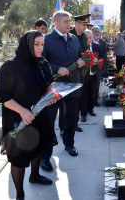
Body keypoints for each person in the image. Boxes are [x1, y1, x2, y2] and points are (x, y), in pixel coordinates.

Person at [0, 31, 55, 200]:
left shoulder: (43, 64)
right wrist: (22, 111)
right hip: (18, 118)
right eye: (37, 44)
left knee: (38, 148)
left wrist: (50, 98)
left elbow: (48, 87)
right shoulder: (10, 67)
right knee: (19, 158)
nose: (40, 48)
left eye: (42, 44)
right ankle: (20, 194)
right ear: (27, 45)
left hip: (39, 116)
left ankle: (35, 176)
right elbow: (2, 96)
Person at [41, 11, 85, 171]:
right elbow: (41, 62)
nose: (69, 24)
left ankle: (69, 144)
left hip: (73, 85)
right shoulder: (47, 40)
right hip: (54, 88)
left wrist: (81, 62)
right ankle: (45, 156)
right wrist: (56, 68)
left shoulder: (74, 39)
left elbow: (80, 57)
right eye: (66, 21)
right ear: (56, 22)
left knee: (71, 118)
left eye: (69, 21)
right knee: (49, 121)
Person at [69, 14, 91, 132]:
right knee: (69, 102)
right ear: (77, 23)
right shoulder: (69, 35)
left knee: (78, 97)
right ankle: (67, 125)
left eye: (86, 24)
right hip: (69, 73)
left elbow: (83, 52)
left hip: (81, 72)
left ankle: (75, 123)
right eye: (83, 24)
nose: (85, 27)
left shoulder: (83, 36)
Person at [80, 30, 103, 122]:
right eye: (87, 38)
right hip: (84, 75)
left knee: (93, 93)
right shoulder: (81, 47)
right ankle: (83, 114)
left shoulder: (97, 46)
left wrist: (97, 60)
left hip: (94, 73)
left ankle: (90, 109)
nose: (89, 39)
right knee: (84, 94)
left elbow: (102, 57)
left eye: (90, 37)